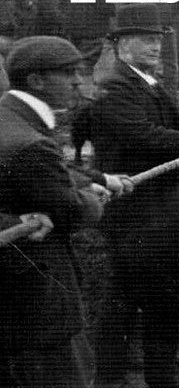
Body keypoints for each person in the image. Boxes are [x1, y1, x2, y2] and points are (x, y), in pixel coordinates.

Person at [89, 5, 179, 388]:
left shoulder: (145, 81)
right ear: (120, 43)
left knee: (125, 294)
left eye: (157, 39)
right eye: (144, 39)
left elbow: (168, 126)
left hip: (146, 203)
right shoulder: (116, 86)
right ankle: (158, 379)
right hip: (133, 205)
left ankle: (111, 377)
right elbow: (144, 136)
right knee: (157, 298)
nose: (155, 47)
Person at [0, 36, 120, 388]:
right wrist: (91, 197)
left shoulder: (8, 116)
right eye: (68, 74)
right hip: (39, 299)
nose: (78, 82)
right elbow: (71, 211)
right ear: (36, 80)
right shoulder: (31, 144)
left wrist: (91, 181)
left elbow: (57, 178)